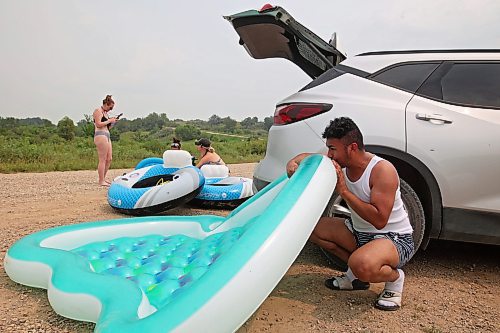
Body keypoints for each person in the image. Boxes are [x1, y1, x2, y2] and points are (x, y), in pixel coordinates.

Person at [286, 117, 414, 311]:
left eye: (333, 149)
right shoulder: (340, 162)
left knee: (362, 263)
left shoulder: (382, 170)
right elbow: (310, 158)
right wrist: (294, 161)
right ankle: (355, 278)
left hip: (394, 239)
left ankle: (395, 281)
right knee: (309, 227)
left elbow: (380, 220)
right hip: (358, 232)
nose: (329, 154)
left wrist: (344, 191)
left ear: (352, 147)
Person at [93, 95, 119, 186]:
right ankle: (101, 180)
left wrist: (113, 122)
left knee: (109, 158)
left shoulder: (106, 114)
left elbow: (107, 126)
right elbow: (98, 124)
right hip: (100, 135)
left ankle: (103, 178)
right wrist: (109, 120)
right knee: (102, 159)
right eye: (110, 107)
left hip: (107, 134)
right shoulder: (98, 111)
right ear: (106, 104)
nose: (111, 110)